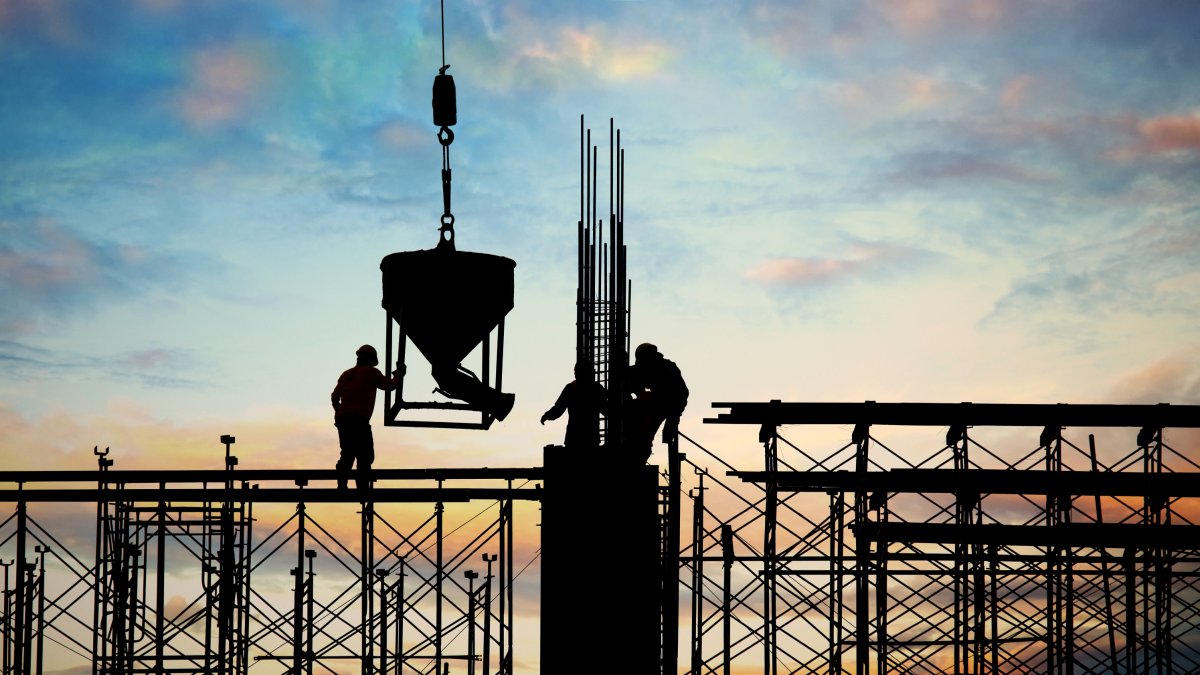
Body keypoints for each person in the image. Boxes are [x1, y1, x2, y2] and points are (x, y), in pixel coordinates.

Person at [331, 344, 399, 490]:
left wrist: (340, 412)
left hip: (344, 419)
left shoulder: (346, 374)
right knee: (364, 454)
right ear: (371, 360)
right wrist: (399, 374)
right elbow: (390, 386)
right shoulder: (371, 373)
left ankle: (342, 485)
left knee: (348, 453)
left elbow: (334, 396)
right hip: (359, 419)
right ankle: (362, 489)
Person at [624, 343, 688, 463]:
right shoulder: (653, 365)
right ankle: (636, 451)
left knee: (643, 435)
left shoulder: (666, 370)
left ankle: (638, 455)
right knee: (640, 431)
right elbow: (636, 374)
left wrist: (673, 419)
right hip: (663, 405)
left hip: (667, 406)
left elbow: (681, 395)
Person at [541, 361, 608, 448]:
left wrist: (547, 416)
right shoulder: (595, 389)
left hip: (574, 438)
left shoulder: (571, 388)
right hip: (590, 437)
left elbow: (559, 408)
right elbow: (605, 409)